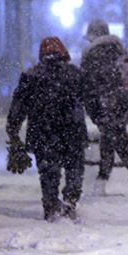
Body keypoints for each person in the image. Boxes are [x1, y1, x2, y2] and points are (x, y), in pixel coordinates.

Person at [6, 37, 88, 222]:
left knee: (48, 173)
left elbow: (18, 106)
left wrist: (13, 129)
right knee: (74, 169)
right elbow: (91, 101)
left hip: (43, 133)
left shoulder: (31, 76)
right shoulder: (75, 74)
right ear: (63, 53)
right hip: (72, 132)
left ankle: (51, 206)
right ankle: (70, 202)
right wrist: (102, 118)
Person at [81, 19, 128, 199]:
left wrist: (94, 110)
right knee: (111, 142)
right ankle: (102, 184)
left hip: (106, 105)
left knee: (119, 145)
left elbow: (88, 86)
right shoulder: (118, 50)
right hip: (123, 105)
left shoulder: (93, 55)